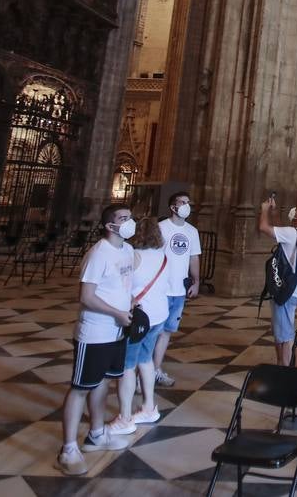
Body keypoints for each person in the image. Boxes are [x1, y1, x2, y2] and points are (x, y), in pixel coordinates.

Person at [56, 205, 135, 476]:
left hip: (117, 330)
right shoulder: (98, 254)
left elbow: (125, 286)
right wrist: (116, 312)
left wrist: (130, 307)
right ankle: (68, 449)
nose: (129, 223)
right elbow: (86, 297)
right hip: (95, 332)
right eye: (123, 219)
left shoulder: (127, 251)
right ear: (109, 226)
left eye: (130, 218)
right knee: (80, 387)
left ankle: (97, 434)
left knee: (102, 382)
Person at [108, 217, 167, 434]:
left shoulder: (134, 256)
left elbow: (120, 285)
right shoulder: (163, 256)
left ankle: (125, 418)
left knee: (127, 366)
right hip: (159, 316)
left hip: (139, 317)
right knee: (146, 360)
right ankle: (149, 407)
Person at [258, 193, 297, 366]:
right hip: (291, 289)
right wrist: (275, 212)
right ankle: (280, 366)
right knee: (281, 332)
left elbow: (264, 227)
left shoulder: (292, 234)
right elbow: (280, 231)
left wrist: (264, 210)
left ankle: (285, 374)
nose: (294, 210)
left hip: (286, 291)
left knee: (285, 335)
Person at [152, 191, 201, 388]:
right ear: (173, 207)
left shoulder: (192, 231)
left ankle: (156, 370)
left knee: (166, 332)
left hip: (179, 291)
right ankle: (142, 374)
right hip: (159, 289)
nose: (187, 206)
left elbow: (194, 257)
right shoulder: (160, 228)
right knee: (152, 332)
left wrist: (196, 281)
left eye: (189, 202)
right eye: (183, 202)